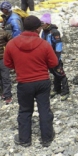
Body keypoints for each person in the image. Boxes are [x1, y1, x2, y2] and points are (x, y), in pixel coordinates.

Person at [4, 15, 57, 147]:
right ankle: (47, 138)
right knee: (44, 109)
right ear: (38, 29)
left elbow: (8, 64)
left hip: (24, 82)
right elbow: (54, 62)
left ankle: (24, 139)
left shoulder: (12, 44)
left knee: (25, 110)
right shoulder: (44, 44)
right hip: (42, 81)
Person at [40, 13, 70, 101]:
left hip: (54, 56)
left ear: (47, 23)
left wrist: (57, 58)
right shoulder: (44, 31)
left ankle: (65, 91)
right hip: (47, 56)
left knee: (60, 73)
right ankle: (57, 89)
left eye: (43, 23)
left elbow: (58, 45)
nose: (41, 25)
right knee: (54, 73)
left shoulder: (54, 32)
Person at [0, 26, 12, 104]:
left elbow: (11, 42)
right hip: (3, 58)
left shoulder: (3, 33)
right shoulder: (4, 32)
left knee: (5, 77)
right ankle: (3, 93)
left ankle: (7, 95)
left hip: (3, 58)